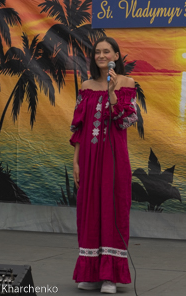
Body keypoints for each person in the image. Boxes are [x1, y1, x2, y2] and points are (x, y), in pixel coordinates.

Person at [69, 36, 137, 294]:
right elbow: (78, 126)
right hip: (87, 158)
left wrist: (112, 94)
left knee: (113, 210)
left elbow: (127, 120)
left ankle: (110, 277)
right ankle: (90, 272)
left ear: (116, 56)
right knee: (89, 212)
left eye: (106, 52)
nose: (101, 56)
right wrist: (75, 162)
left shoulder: (127, 84)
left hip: (114, 159)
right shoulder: (85, 86)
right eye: (97, 52)